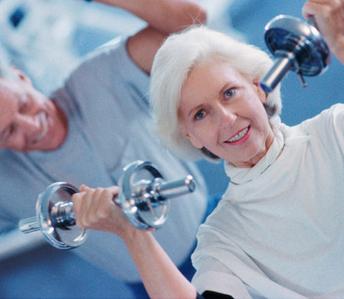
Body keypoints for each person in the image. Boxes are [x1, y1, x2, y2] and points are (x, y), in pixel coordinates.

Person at [71, 0, 344, 298]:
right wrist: (133, 235)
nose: (226, 119)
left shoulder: (333, 131)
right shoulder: (223, 236)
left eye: (229, 93)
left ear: (257, 87)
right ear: (191, 136)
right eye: (200, 114)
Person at [0, 0, 208, 296]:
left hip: (217, 233)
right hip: (150, 286)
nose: (32, 127)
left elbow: (190, 23)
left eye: (24, 104)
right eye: (9, 131)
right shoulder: (5, 179)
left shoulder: (100, 78)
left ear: (22, 77)